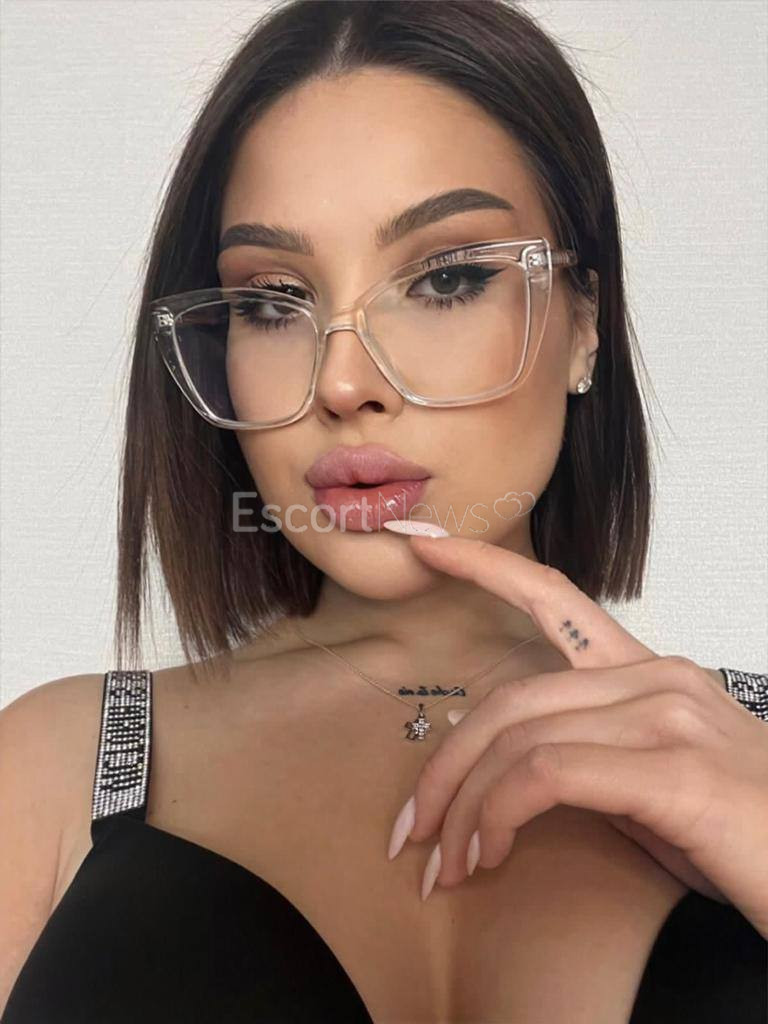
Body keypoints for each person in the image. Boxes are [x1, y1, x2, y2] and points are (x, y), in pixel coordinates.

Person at [1, 1, 766, 1021]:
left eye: (446, 278)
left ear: (583, 322)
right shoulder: (52, 770)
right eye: (273, 301)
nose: (343, 381)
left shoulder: (752, 752)